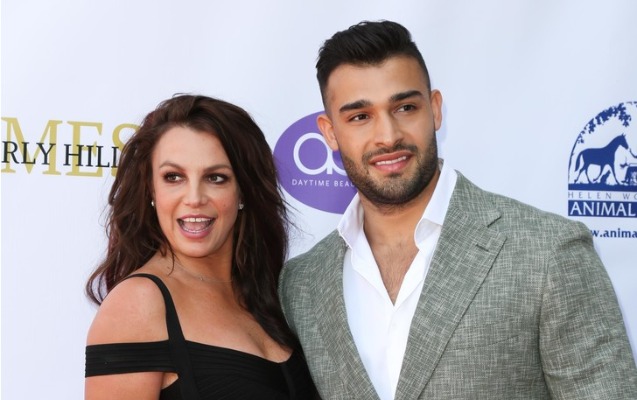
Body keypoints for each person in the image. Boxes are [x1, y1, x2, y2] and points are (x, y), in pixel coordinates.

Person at [279, 20, 637, 400]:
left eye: (405, 107)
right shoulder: (301, 284)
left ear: (435, 110)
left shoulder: (548, 252)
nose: (388, 136)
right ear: (330, 132)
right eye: (360, 116)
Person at [85, 94, 318, 399]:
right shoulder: (138, 303)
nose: (194, 198)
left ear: (243, 191)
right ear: (151, 189)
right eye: (173, 177)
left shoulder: (272, 293)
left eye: (216, 178)